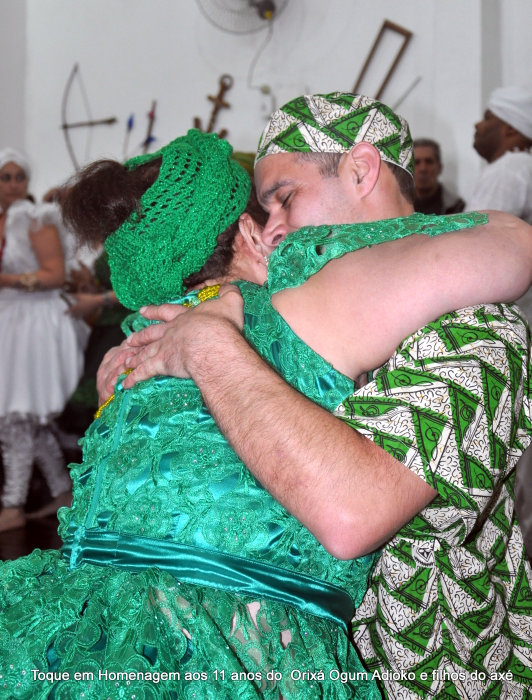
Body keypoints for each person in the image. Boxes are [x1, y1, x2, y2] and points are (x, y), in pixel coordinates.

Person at [1, 126, 531, 700]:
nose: (282, 228)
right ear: (249, 233)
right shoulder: (302, 299)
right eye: (268, 209)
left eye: (287, 200)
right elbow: (513, 240)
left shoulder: (135, 358)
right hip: (242, 655)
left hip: (81, 637)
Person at [0, 149, 85, 532]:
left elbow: (55, 275)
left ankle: (12, 505)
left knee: (15, 419)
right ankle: (62, 490)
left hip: (34, 325)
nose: (13, 184)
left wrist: (9, 280)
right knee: (25, 418)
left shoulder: (36, 219)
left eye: (19, 176)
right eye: (5, 176)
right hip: (10, 321)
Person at [467, 85, 532, 560]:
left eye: (487, 117)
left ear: (510, 129)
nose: (477, 125)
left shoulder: (509, 170)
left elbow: (475, 255)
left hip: (510, 333)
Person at [413, 138, 465, 215]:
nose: (423, 169)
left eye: (428, 162)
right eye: (416, 162)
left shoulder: (457, 208)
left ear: (439, 168)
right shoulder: (397, 206)